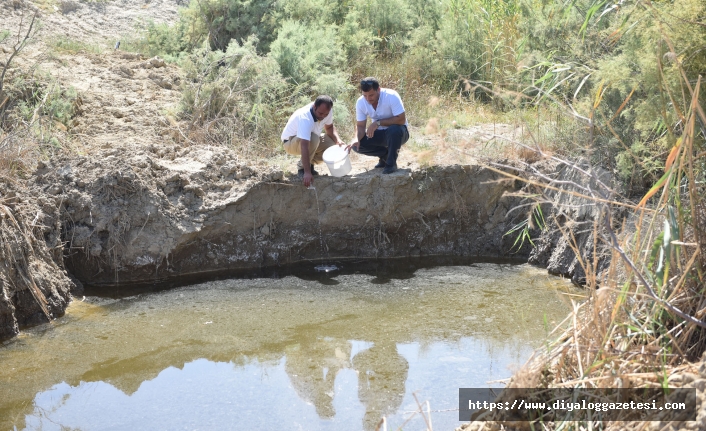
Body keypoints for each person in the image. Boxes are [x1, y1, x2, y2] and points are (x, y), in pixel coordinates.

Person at [282, 95, 345, 187]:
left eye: (325, 114)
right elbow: (304, 145)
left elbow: (329, 127)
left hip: (309, 140)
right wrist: (307, 172)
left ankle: (309, 163)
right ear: (314, 106)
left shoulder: (327, 111)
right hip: (290, 143)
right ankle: (302, 168)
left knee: (332, 144)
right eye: (320, 114)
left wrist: (338, 141)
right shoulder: (305, 117)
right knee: (314, 138)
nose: (323, 116)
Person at [349, 78, 409, 174]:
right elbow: (360, 126)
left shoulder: (391, 96)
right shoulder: (360, 102)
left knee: (394, 130)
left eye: (371, 95)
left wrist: (378, 123)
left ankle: (391, 164)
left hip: (399, 133)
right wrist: (356, 138)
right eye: (365, 95)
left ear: (379, 90)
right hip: (380, 134)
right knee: (357, 146)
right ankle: (385, 156)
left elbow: (401, 119)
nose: (368, 99)